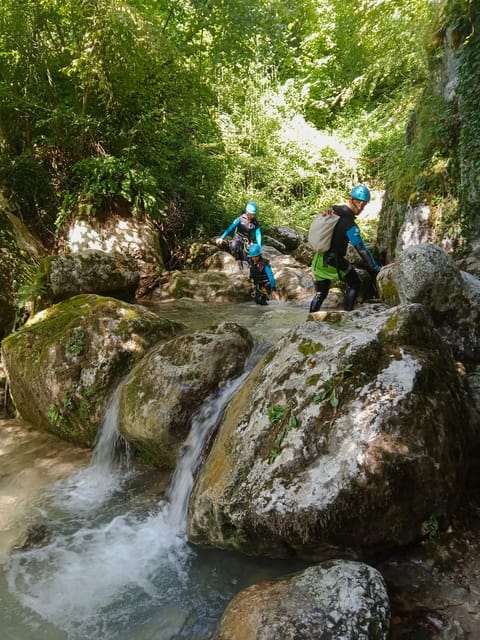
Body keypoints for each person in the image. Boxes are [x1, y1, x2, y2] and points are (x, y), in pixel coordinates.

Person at [309, 185, 381, 313]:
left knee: (321, 292)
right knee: (355, 283)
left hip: (319, 259)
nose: (361, 207)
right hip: (334, 262)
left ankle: (310, 320)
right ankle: (348, 314)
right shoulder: (350, 225)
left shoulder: (334, 211)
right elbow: (361, 249)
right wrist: (375, 268)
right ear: (351, 200)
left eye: (364, 205)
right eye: (360, 203)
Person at [215, 201, 262, 267]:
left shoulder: (255, 222)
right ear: (247, 212)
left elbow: (258, 234)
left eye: (253, 214)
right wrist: (222, 237)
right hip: (238, 238)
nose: (252, 216)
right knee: (234, 247)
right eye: (251, 214)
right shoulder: (239, 219)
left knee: (247, 259)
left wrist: (259, 245)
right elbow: (230, 228)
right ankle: (231, 247)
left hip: (247, 240)